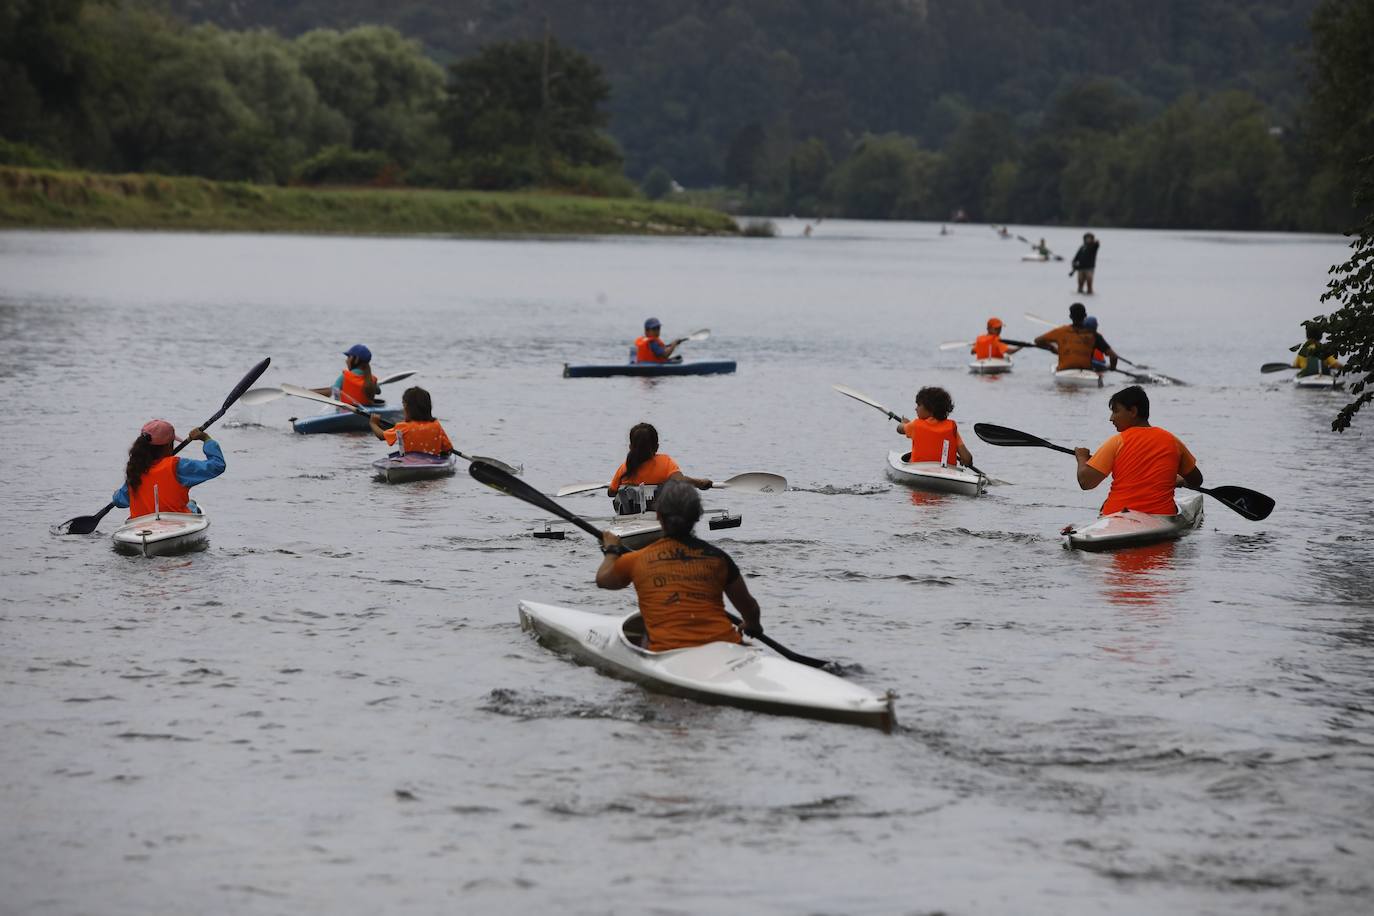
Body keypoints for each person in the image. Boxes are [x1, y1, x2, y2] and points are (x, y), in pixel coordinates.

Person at [595, 478, 762, 651]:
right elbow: (750, 607)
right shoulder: (719, 559)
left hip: (667, 652)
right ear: (698, 516)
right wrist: (752, 624)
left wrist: (612, 550)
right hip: (724, 644)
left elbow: (603, 580)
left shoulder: (636, 560)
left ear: (658, 515)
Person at [1073, 386, 1203, 518]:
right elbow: (1196, 480)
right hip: (1162, 515)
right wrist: (1180, 481)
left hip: (1117, 513)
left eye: (1116, 411)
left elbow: (1086, 482)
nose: (1111, 418)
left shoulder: (1117, 442)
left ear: (1133, 411)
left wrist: (1082, 458)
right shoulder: (1173, 441)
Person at [112, 419, 225, 518]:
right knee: (192, 504)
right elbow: (217, 465)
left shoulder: (135, 470)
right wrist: (206, 439)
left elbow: (120, 501)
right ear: (168, 446)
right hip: (176, 521)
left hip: (141, 526)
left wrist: (117, 494)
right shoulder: (177, 466)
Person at [608, 423, 711, 514]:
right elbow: (680, 480)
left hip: (629, 515)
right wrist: (700, 483)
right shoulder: (665, 462)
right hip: (660, 515)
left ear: (630, 447)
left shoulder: (625, 467)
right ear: (656, 447)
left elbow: (611, 492)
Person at [895, 386, 973, 468]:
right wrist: (965, 461)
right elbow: (967, 458)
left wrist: (904, 423)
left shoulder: (915, 425)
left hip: (918, 468)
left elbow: (899, 429)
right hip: (947, 472)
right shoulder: (951, 427)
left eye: (918, 405)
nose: (916, 408)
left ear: (930, 408)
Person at [369, 386, 453, 456]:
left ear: (407, 407)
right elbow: (448, 449)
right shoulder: (436, 425)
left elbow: (381, 435)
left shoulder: (403, 426)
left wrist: (373, 423)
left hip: (409, 462)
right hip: (432, 462)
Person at [1034, 302, 1118, 372]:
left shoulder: (1060, 332)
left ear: (1070, 316)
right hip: (1087, 372)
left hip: (1064, 371)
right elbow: (1113, 356)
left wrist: (1052, 348)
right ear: (1085, 316)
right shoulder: (1094, 335)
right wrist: (1112, 368)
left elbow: (1037, 341)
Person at [315, 344, 380, 407]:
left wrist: (309, 392)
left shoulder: (344, 377)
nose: (346, 360)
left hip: (344, 413)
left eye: (349, 357)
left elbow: (330, 392)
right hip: (368, 415)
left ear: (356, 359)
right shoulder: (371, 379)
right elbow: (378, 391)